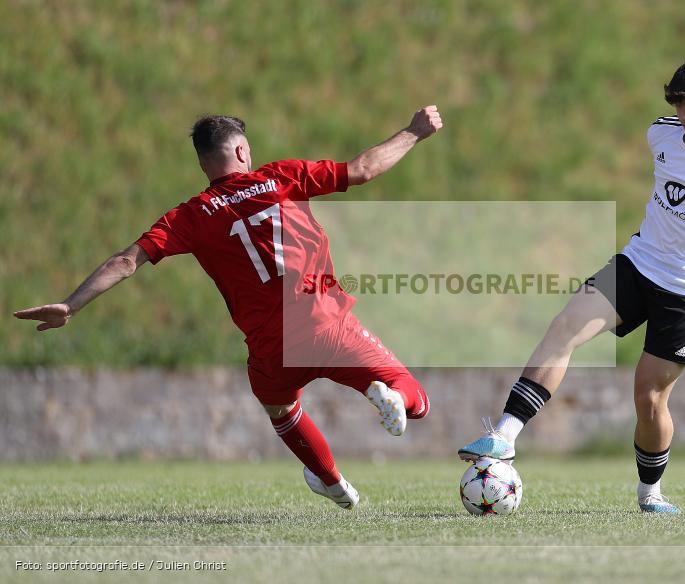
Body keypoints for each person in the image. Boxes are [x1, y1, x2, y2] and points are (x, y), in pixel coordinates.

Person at [15, 106, 443, 509]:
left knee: (281, 408)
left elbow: (126, 262)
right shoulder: (282, 177)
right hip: (327, 325)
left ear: (204, 165)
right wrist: (414, 131)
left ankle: (332, 482)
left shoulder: (190, 216)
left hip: (271, 349)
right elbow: (364, 168)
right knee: (416, 399)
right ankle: (389, 395)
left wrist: (70, 305)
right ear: (242, 151)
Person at [458, 56, 685, 514]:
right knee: (565, 327)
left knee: (649, 397)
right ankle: (505, 437)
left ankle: (650, 492)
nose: (684, 119)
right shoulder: (662, 131)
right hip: (638, 263)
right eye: (678, 108)